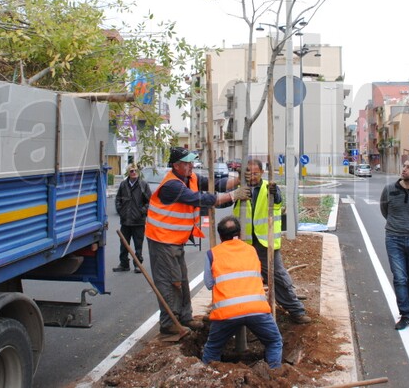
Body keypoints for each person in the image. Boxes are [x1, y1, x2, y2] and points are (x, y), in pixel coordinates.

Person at [146, 147, 250, 335]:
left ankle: (185, 317)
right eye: (186, 163)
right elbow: (199, 198)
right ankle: (169, 322)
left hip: (175, 240)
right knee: (171, 282)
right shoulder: (172, 186)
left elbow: (216, 184)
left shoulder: (191, 178)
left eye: (191, 162)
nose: (191, 166)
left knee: (182, 280)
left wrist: (238, 180)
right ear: (176, 165)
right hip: (162, 241)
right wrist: (233, 195)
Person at [232, 159, 311, 324]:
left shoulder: (269, 188)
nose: (252, 177)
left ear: (261, 172)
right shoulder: (240, 189)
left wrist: (274, 193)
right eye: (249, 173)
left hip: (265, 242)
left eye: (255, 173)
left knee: (278, 277)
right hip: (245, 243)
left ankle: (296, 311)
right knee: (245, 279)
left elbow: (278, 201)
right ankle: (246, 312)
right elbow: (222, 202)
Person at [202, 216, 283, 369]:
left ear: (220, 236)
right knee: (274, 342)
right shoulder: (251, 250)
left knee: (212, 348)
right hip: (256, 310)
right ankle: (274, 373)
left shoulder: (212, 254)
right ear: (239, 234)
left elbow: (208, 283)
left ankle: (207, 376)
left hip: (226, 313)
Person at [379, 158, 409, 330]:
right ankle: (406, 314)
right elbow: (384, 211)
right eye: (404, 166)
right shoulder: (389, 189)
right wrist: (397, 225)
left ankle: (404, 299)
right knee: (400, 278)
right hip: (393, 238)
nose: (404, 169)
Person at [114, 164, 152, 273]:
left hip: (138, 221)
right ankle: (124, 264)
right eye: (131, 171)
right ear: (128, 172)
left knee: (138, 245)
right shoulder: (123, 185)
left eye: (135, 170)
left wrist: (142, 212)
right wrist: (121, 211)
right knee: (124, 244)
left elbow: (150, 202)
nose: (134, 172)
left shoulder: (143, 185)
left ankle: (138, 265)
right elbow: (118, 199)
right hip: (125, 221)